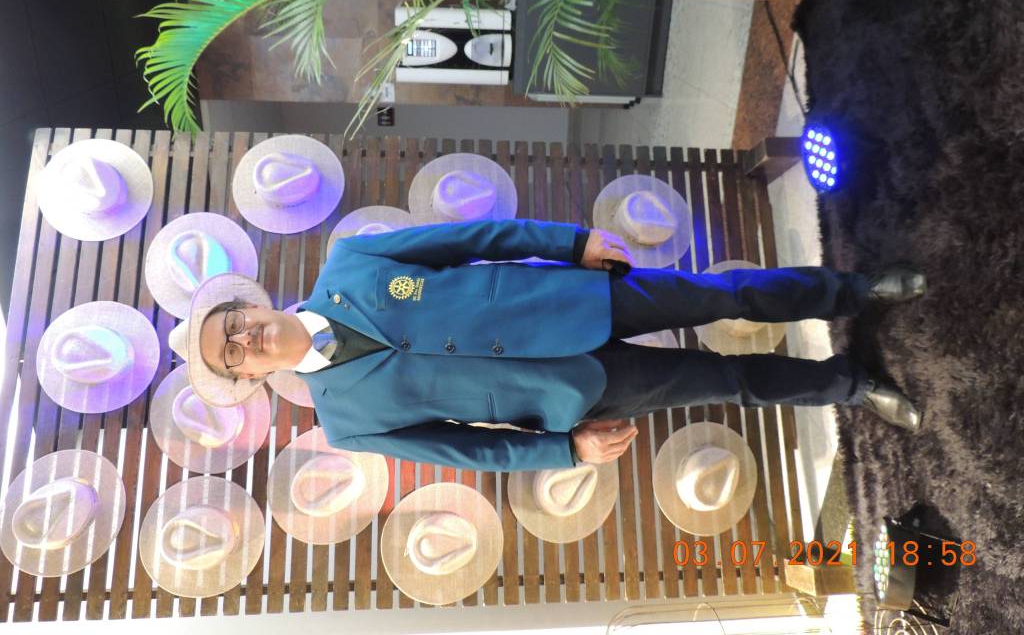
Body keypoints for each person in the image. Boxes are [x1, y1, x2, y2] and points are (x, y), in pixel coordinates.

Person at [191, 219, 925, 473]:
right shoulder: (346, 423)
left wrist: (570, 244)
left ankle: (855, 290)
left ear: (248, 302)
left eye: (234, 323)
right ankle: (851, 385)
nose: (246, 340)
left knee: (725, 295)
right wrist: (564, 452)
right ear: (248, 377)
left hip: (573, 299)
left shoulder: (350, 260)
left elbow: (471, 238)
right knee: (726, 382)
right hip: (568, 395)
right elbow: (464, 451)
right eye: (234, 354)